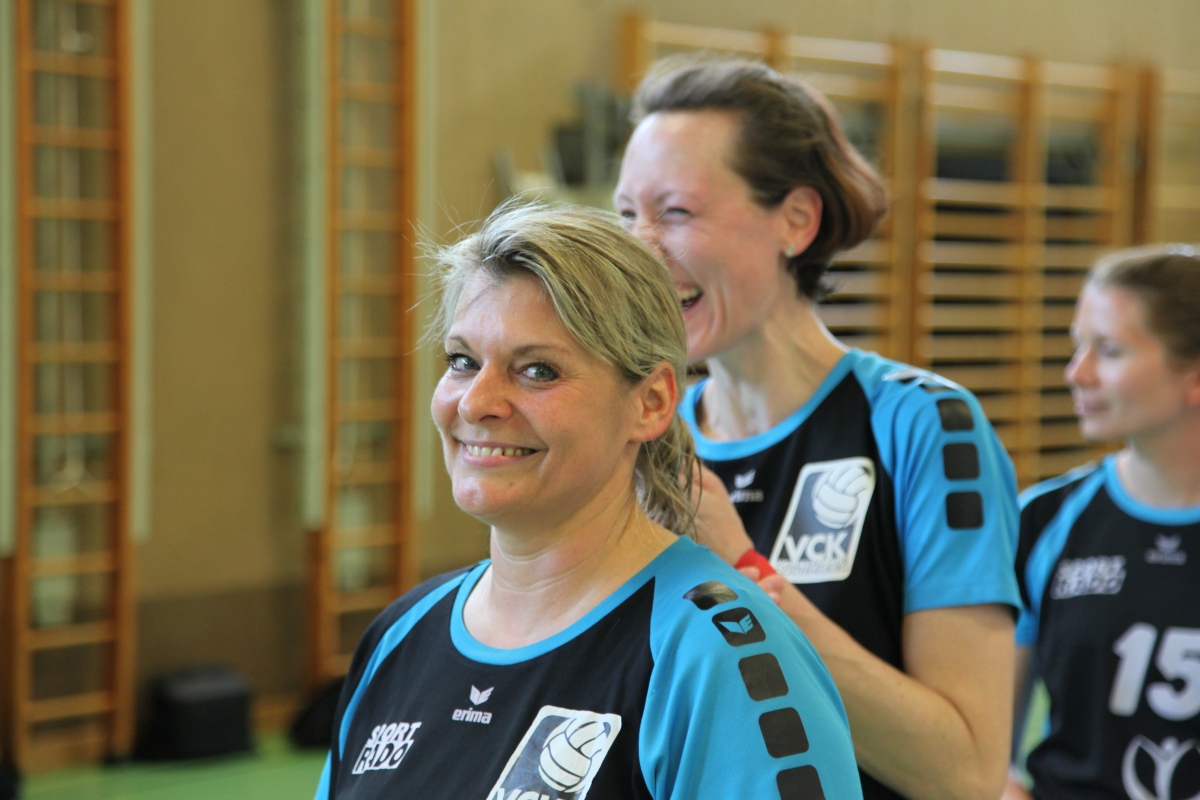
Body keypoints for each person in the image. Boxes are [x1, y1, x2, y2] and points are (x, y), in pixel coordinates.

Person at [313, 202, 864, 800]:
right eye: (463, 361)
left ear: (651, 403)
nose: (475, 403)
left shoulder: (720, 657)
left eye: (538, 371)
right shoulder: (400, 637)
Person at [613, 55, 1021, 800]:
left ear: (796, 221)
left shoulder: (923, 424)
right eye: (625, 214)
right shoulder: (642, 435)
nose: (640, 248)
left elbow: (965, 772)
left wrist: (745, 571)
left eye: (676, 212)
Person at [1005, 245, 1200, 800]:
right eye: (1078, 346)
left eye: (1109, 350)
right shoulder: (1045, 519)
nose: (1077, 373)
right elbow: (981, 750)